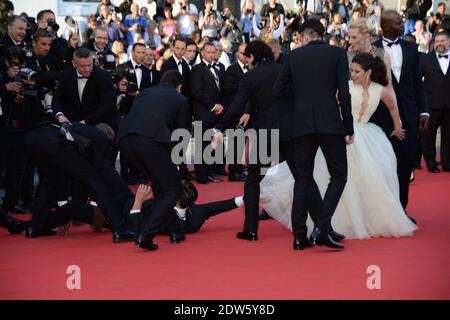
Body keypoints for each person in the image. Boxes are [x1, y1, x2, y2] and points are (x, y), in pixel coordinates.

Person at [262, 53, 418, 240]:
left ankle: (366, 219)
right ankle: (333, 223)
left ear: (368, 72)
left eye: (356, 71)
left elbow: (393, 108)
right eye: (351, 70)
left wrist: (398, 128)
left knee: (371, 179)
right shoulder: (345, 87)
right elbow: (332, 107)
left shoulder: (382, 90)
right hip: (343, 135)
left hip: (370, 138)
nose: (352, 74)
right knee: (341, 180)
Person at [273, 19, 353, 250]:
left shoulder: (294, 56)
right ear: (323, 33)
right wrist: (348, 127)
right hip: (330, 123)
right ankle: (321, 227)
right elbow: (344, 94)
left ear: (305, 36)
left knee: (303, 178)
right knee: (339, 176)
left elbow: (278, 90)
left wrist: (302, 95)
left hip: (302, 124)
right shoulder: (337, 53)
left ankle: (299, 237)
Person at [212, 40, 282, 241]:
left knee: (253, 181)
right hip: (287, 131)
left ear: (252, 57)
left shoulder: (249, 77)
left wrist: (220, 128)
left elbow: (235, 107)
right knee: (302, 178)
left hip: (263, 132)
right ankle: (311, 228)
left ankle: (251, 230)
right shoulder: (283, 70)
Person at [118, 70, 191, 251]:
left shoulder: (145, 93)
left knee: (160, 185)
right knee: (174, 190)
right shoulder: (180, 99)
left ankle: (174, 231)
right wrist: (177, 163)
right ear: (179, 87)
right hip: (150, 142)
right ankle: (146, 235)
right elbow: (182, 134)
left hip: (125, 141)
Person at [370, 11, 429, 218]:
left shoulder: (411, 48)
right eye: (397, 22)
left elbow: (417, 84)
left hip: (409, 116)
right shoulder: (373, 49)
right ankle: (382, 211)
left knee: (405, 163)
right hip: (380, 117)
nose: (402, 24)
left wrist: (424, 111)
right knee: (382, 164)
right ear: (385, 26)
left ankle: (401, 209)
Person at [52, 48, 120, 132]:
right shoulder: (66, 75)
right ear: (74, 63)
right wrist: (60, 115)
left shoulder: (103, 77)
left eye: (90, 65)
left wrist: (85, 122)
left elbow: (108, 106)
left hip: (101, 121)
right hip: (74, 121)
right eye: (83, 66)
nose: (87, 69)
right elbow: (57, 98)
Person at [420, 31, 450, 172]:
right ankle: (431, 163)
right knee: (429, 136)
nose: (439, 44)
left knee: (448, 136)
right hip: (431, 103)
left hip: (449, 104)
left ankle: (447, 163)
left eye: (442, 41)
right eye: (437, 41)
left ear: (448, 42)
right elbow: (418, 82)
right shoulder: (426, 59)